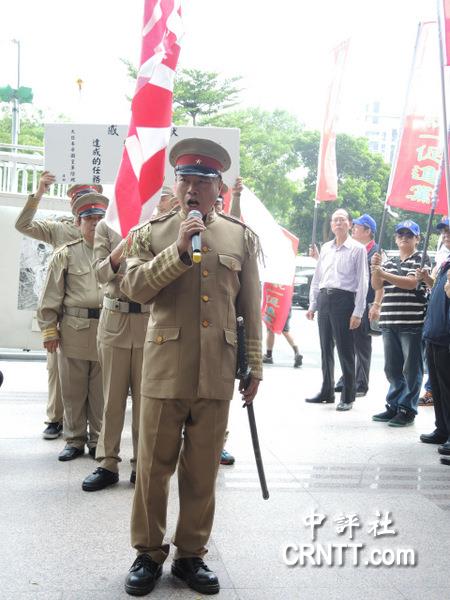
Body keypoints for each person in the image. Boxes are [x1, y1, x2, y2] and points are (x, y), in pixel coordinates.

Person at [121, 138, 262, 596]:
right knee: (153, 469)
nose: (194, 187)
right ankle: (147, 553)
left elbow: (251, 307)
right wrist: (178, 252)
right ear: (175, 185)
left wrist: (254, 365)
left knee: (203, 469)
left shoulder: (241, 236)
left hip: (217, 371)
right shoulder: (153, 232)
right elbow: (134, 288)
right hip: (164, 367)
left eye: (204, 179)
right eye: (186, 178)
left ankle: (190, 556)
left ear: (219, 187)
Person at [15, 172, 103, 440]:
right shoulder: (60, 228)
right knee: (59, 372)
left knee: (96, 382)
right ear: (74, 206)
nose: (91, 219)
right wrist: (39, 192)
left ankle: (93, 431)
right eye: (80, 199)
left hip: (95, 318)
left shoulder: (106, 232)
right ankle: (55, 419)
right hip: (64, 312)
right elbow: (23, 224)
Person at [81, 214, 152, 491]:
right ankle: (107, 463)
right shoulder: (105, 225)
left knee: (147, 400)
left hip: (149, 322)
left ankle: (141, 464)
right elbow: (99, 273)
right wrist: (124, 244)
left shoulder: (158, 224)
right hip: (114, 321)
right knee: (111, 398)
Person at [37, 191, 108, 461]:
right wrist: (49, 330)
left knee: (101, 392)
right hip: (74, 330)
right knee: (73, 390)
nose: (94, 223)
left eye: (99, 218)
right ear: (78, 223)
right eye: (88, 218)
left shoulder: (115, 254)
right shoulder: (65, 255)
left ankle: (98, 440)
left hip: (106, 331)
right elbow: (50, 296)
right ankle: (75, 439)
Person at [305, 208, 368, 411]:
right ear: (331, 225)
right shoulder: (325, 248)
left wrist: (358, 312)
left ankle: (348, 395)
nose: (338, 223)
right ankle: (326, 391)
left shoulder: (358, 249)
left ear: (350, 223)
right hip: (325, 298)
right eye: (334, 220)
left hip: (344, 300)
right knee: (325, 348)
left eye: (342, 220)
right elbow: (318, 277)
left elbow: (363, 282)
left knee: (345, 349)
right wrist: (312, 304)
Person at [371, 220, 428, 427]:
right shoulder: (388, 261)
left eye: (409, 235)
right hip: (389, 320)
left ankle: (407, 409)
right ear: (395, 238)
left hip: (411, 323)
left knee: (412, 369)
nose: (404, 237)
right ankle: (394, 404)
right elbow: (377, 285)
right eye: (400, 234)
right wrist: (375, 269)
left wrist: (383, 273)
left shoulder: (421, 259)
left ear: (417, 239)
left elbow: (412, 283)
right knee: (392, 368)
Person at [335, 214, 382, 396]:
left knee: (362, 345)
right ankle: (347, 378)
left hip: (366, 302)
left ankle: (361, 384)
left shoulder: (376, 252)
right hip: (350, 303)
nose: (353, 229)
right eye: (353, 226)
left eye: (357, 227)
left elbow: (380, 283)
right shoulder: (355, 249)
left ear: (368, 231)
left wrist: (376, 304)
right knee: (347, 344)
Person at [417, 218, 450, 457]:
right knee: (437, 387)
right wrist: (428, 279)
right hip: (435, 332)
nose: (445, 235)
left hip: (446, 335)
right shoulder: (446, 263)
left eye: (449, 231)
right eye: (444, 232)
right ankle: (443, 428)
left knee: (448, 388)